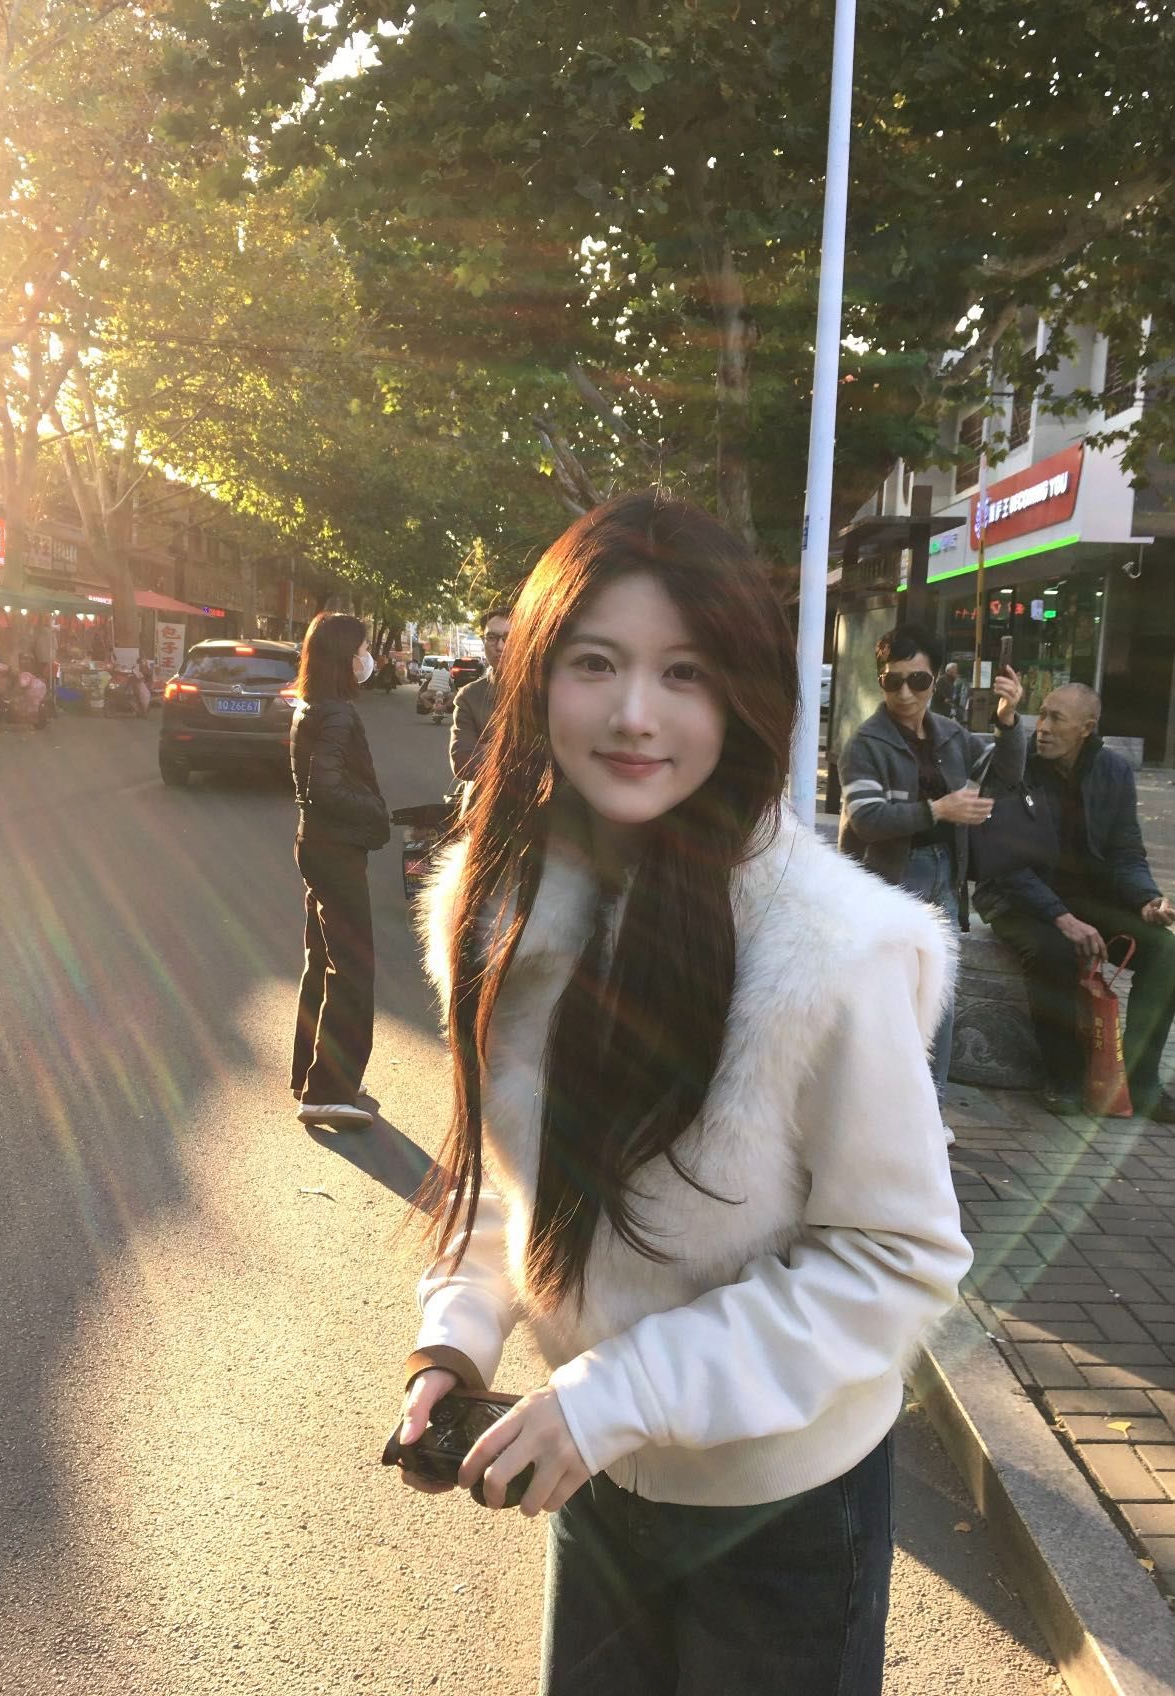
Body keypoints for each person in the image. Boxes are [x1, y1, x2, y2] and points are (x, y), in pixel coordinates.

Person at [394, 492, 971, 1696]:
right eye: (595, 662)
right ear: (535, 676)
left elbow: (899, 1257)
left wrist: (621, 1396)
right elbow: (511, 1179)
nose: (633, 714)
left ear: (741, 695)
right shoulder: (493, 911)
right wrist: (456, 1333)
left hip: (782, 1510)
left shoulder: (832, 950)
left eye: (684, 672)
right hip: (595, 1471)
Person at [838, 623, 1026, 1122]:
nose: (905, 693)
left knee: (938, 1000)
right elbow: (867, 819)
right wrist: (939, 809)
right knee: (888, 999)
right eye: (892, 680)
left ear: (936, 679)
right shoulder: (866, 743)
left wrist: (1007, 720)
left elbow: (1005, 776)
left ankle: (929, 1113)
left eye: (917, 680)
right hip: (888, 881)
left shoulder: (950, 734)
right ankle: (876, 1112)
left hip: (944, 875)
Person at [974, 683, 1175, 1121]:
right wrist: (1060, 917)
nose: (1043, 727)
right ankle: (1064, 1078)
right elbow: (1005, 864)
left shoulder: (1114, 771)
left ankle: (1138, 1081)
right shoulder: (1016, 764)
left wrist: (1147, 899)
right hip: (1017, 897)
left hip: (1087, 899)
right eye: (1042, 715)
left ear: (1087, 728)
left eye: (1056, 719)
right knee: (1055, 951)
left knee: (1166, 951)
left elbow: (1126, 852)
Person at [289, 613, 390, 1131]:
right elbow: (323, 788)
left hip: (316, 844)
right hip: (335, 848)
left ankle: (312, 1075)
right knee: (351, 967)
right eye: (363, 649)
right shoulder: (338, 715)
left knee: (323, 959)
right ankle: (327, 1090)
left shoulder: (313, 706)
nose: (367, 658)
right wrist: (375, 812)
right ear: (344, 658)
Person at [449, 606, 512, 779]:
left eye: (508, 638)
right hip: (487, 794)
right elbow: (464, 764)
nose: (500, 646)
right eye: (491, 638)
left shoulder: (546, 692)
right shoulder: (469, 697)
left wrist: (488, 749)